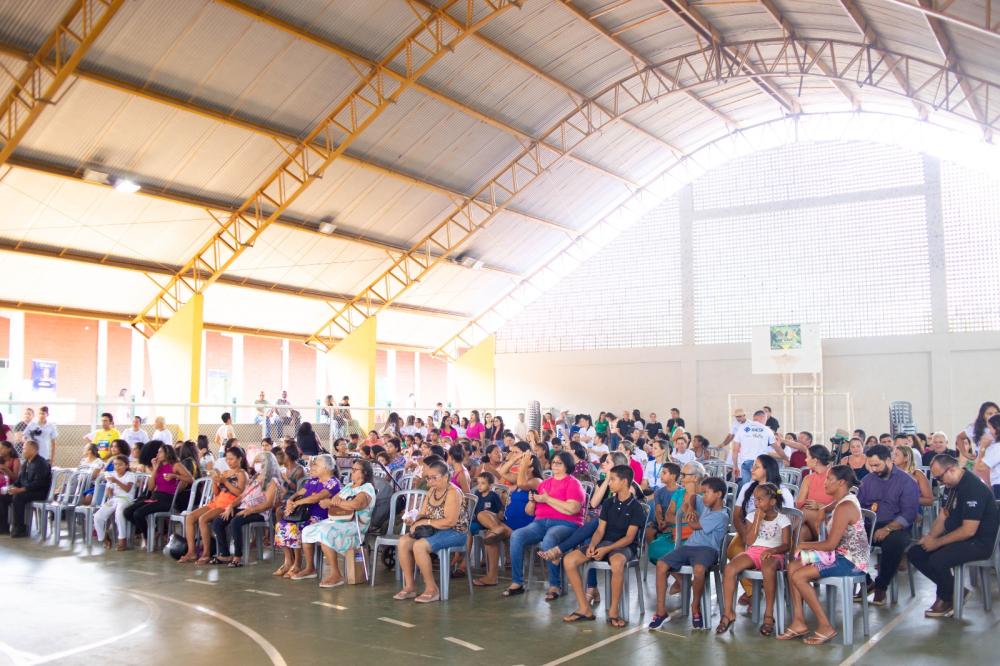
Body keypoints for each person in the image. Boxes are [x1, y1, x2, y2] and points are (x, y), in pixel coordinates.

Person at [779, 465, 869, 644]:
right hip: (837, 555)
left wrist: (803, 545)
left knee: (799, 576)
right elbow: (831, 507)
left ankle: (825, 626)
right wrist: (822, 510)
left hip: (850, 561)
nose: (825, 483)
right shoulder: (843, 499)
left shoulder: (846, 506)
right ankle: (798, 621)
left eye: (829, 479)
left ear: (841, 482)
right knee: (793, 566)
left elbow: (829, 545)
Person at [909, 454, 1000, 617]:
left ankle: (946, 598)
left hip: (978, 542)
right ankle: (956, 590)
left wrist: (937, 543)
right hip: (959, 538)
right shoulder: (951, 486)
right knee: (916, 552)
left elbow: (968, 530)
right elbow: (943, 516)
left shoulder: (973, 488)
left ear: (951, 469)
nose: (939, 482)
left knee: (938, 559)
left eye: (939, 478)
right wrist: (930, 537)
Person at [561, 464, 645, 626]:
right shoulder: (608, 503)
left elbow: (629, 538)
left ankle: (613, 611)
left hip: (624, 546)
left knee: (617, 562)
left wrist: (607, 549)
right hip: (604, 543)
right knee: (569, 560)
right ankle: (584, 608)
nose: (609, 483)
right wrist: (593, 545)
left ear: (624, 482)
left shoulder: (636, 507)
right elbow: (600, 530)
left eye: (612, 479)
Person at [649, 475, 728, 630]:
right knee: (661, 564)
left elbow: (694, 526)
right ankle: (660, 611)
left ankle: (695, 606)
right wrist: (691, 508)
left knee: (699, 570)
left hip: (708, 549)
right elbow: (692, 497)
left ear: (718, 494)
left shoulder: (721, 515)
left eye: (706, 493)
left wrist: (689, 516)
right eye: (703, 493)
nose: (703, 496)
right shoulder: (705, 504)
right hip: (689, 546)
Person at [503, 451, 585, 600]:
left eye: (559, 463)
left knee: (549, 538)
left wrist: (547, 499)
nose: (555, 465)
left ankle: (554, 585)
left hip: (567, 523)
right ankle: (517, 582)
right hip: (540, 522)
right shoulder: (545, 483)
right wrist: (532, 501)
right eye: (553, 462)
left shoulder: (573, 483)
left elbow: (573, 509)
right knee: (516, 535)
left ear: (567, 465)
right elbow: (529, 512)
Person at [716, 483, 790, 636]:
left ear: (772, 501)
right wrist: (757, 520)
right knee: (729, 569)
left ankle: (768, 615)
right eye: (755, 499)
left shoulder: (783, 519)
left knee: (768, 568)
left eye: (760, 499)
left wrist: (773, 550)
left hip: (775, 554)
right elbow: (749, 541)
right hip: (754, 551)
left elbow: (786, 545)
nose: (756, 503)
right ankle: (728, 613)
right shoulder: (751, 517)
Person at [392, 460, 467, 601]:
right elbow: (423, 513)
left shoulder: (453, 492)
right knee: (403, 542)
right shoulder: (432, 491)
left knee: (419, 546)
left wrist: (425, 522)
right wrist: (414, 520)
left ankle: (432, 588)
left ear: (445, 477)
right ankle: (410, 586)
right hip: (435, 530)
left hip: (455, 532)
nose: (430, 482)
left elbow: (450, 521)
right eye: (428, 478)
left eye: (434, 478)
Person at [294, 459, 377, 588]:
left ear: (364, 473)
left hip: (355, 524)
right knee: (307, 530)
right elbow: (334, 499)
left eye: (355, 470)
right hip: (339, 519)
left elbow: (356, 504)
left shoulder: (367, 488)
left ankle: (336, 574)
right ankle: (310, 568)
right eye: (352, 469)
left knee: (326, 532)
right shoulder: (349, 486)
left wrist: (336, 503)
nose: (352, 472)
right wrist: (332, 502)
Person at [856, 444, 919, 606]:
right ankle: (866, 581)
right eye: (871, 465)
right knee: (847, 538)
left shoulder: (906, 481)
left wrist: (888, 528)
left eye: (877, 465)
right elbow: (857, 506)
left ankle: (881, 586)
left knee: (894, 543)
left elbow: (909, 513)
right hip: (870, 524)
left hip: (896, 527)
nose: (874, 469)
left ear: (889, 460)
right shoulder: (867, 480)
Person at [728, 455, 795, 606]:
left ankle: (763, 586)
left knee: (765, 560)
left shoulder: (781, 491)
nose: (752, 469)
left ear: (767, 469)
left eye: (756, 467)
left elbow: (789, 519)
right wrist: (745, 535)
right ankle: (752, 591)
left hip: (773, 537)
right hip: (749, 530)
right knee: (734, 550)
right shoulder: (747, 487)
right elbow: (737, 515)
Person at [177, 446, 247, 563]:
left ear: (240, 459)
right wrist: (215, 481)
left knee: (203, 519)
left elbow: (240, 493)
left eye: (231, 459)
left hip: (228, 505)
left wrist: (225, 482)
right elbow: (216, 493)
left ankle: (206, 553)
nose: (229, 462)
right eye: (227, 459)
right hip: (216, 502)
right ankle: (191, 552)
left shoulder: (241, 474)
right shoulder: (225, 473)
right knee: (190, 517)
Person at [274, 453, 340, 577]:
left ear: (326, 468)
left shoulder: (333, 483)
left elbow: (316, 498)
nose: (313, 467)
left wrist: (295, 504)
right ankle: (288, 561)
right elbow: (300, 492)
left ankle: (297, 564)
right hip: (305, 514)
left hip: (320, 518)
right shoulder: (313, 480)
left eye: (316, 464)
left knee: (295, 527)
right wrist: (290, 501)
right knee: (281, 525)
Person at [212, 452, 282, 567]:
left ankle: (238, 556)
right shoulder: (256, 477)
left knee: (235, 521)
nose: (256, 464)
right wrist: (231, 506)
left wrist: (250, 510)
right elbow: (242, 495)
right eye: (256, 461)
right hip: (244, 507)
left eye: (259, 461)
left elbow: (268, 504)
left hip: (259, 512)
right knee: (218, 521)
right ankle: (224, 554)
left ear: (268, 463)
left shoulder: (272, 480)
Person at [124, 442, 193, 546]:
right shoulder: (158, 467)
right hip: (155, 496)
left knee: (138, 513)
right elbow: (151, 487)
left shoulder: (176, 465)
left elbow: (191, 479)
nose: (157, 454)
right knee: (128, 512)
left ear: (167, 453)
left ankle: (148, 536)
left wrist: (175, 476)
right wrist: (155, 469)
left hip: (167, 499)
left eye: (160, 452)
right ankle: (153, 531)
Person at [0, 440, 51, 537]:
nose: (22, 451)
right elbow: (19, 481)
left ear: (33, 450)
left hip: (39, 492)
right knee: (3, 496)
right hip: (26, 491)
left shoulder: (41, 463)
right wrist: (10, 488)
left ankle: (20, 528)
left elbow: (39, 483)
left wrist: (20, 490)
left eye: (24, 449)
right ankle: (3, 527)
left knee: (18, 497)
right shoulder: (26, 463)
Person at [93, 454, 136, 550]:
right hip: (115, 499)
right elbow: (109, 493)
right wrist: (109, 489)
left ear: (126, 465)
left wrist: (116, 481)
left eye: (120, 465)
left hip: (126, 499)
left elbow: (127, 489)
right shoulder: (112, 474)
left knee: (119, 513)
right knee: (97, 516)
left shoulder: (130, 475)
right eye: (115, 464)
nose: (117, 467)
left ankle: (122, 539)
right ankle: (104, 538)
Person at [795, 445, 834, 541]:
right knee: (801, 531)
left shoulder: (834, 477)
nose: (805, 460)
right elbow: (799, 504)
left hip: (830, 522)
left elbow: (841, 503)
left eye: (807, 457)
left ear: (815, 460)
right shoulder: (808, 478)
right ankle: (793, 551)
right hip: (810, 524)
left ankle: (781, 535)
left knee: (806, 511)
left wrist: (820, 506)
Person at [731, 410, 780, 486]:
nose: (738, 418)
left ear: (744, 416)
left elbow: (735, 449)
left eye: (740, 416)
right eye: (737, 416)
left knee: (752, 485)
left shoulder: (747, 427)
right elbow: (734, 448)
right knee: (752, 485)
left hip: (753, 461)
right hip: (750, 462)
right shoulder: (736, 425)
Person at [974, 413, 1000, 496]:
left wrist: (983, 447)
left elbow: (980, 468)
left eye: (989, 428)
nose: (988, 432)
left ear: (997, 428)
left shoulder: (997, 448)